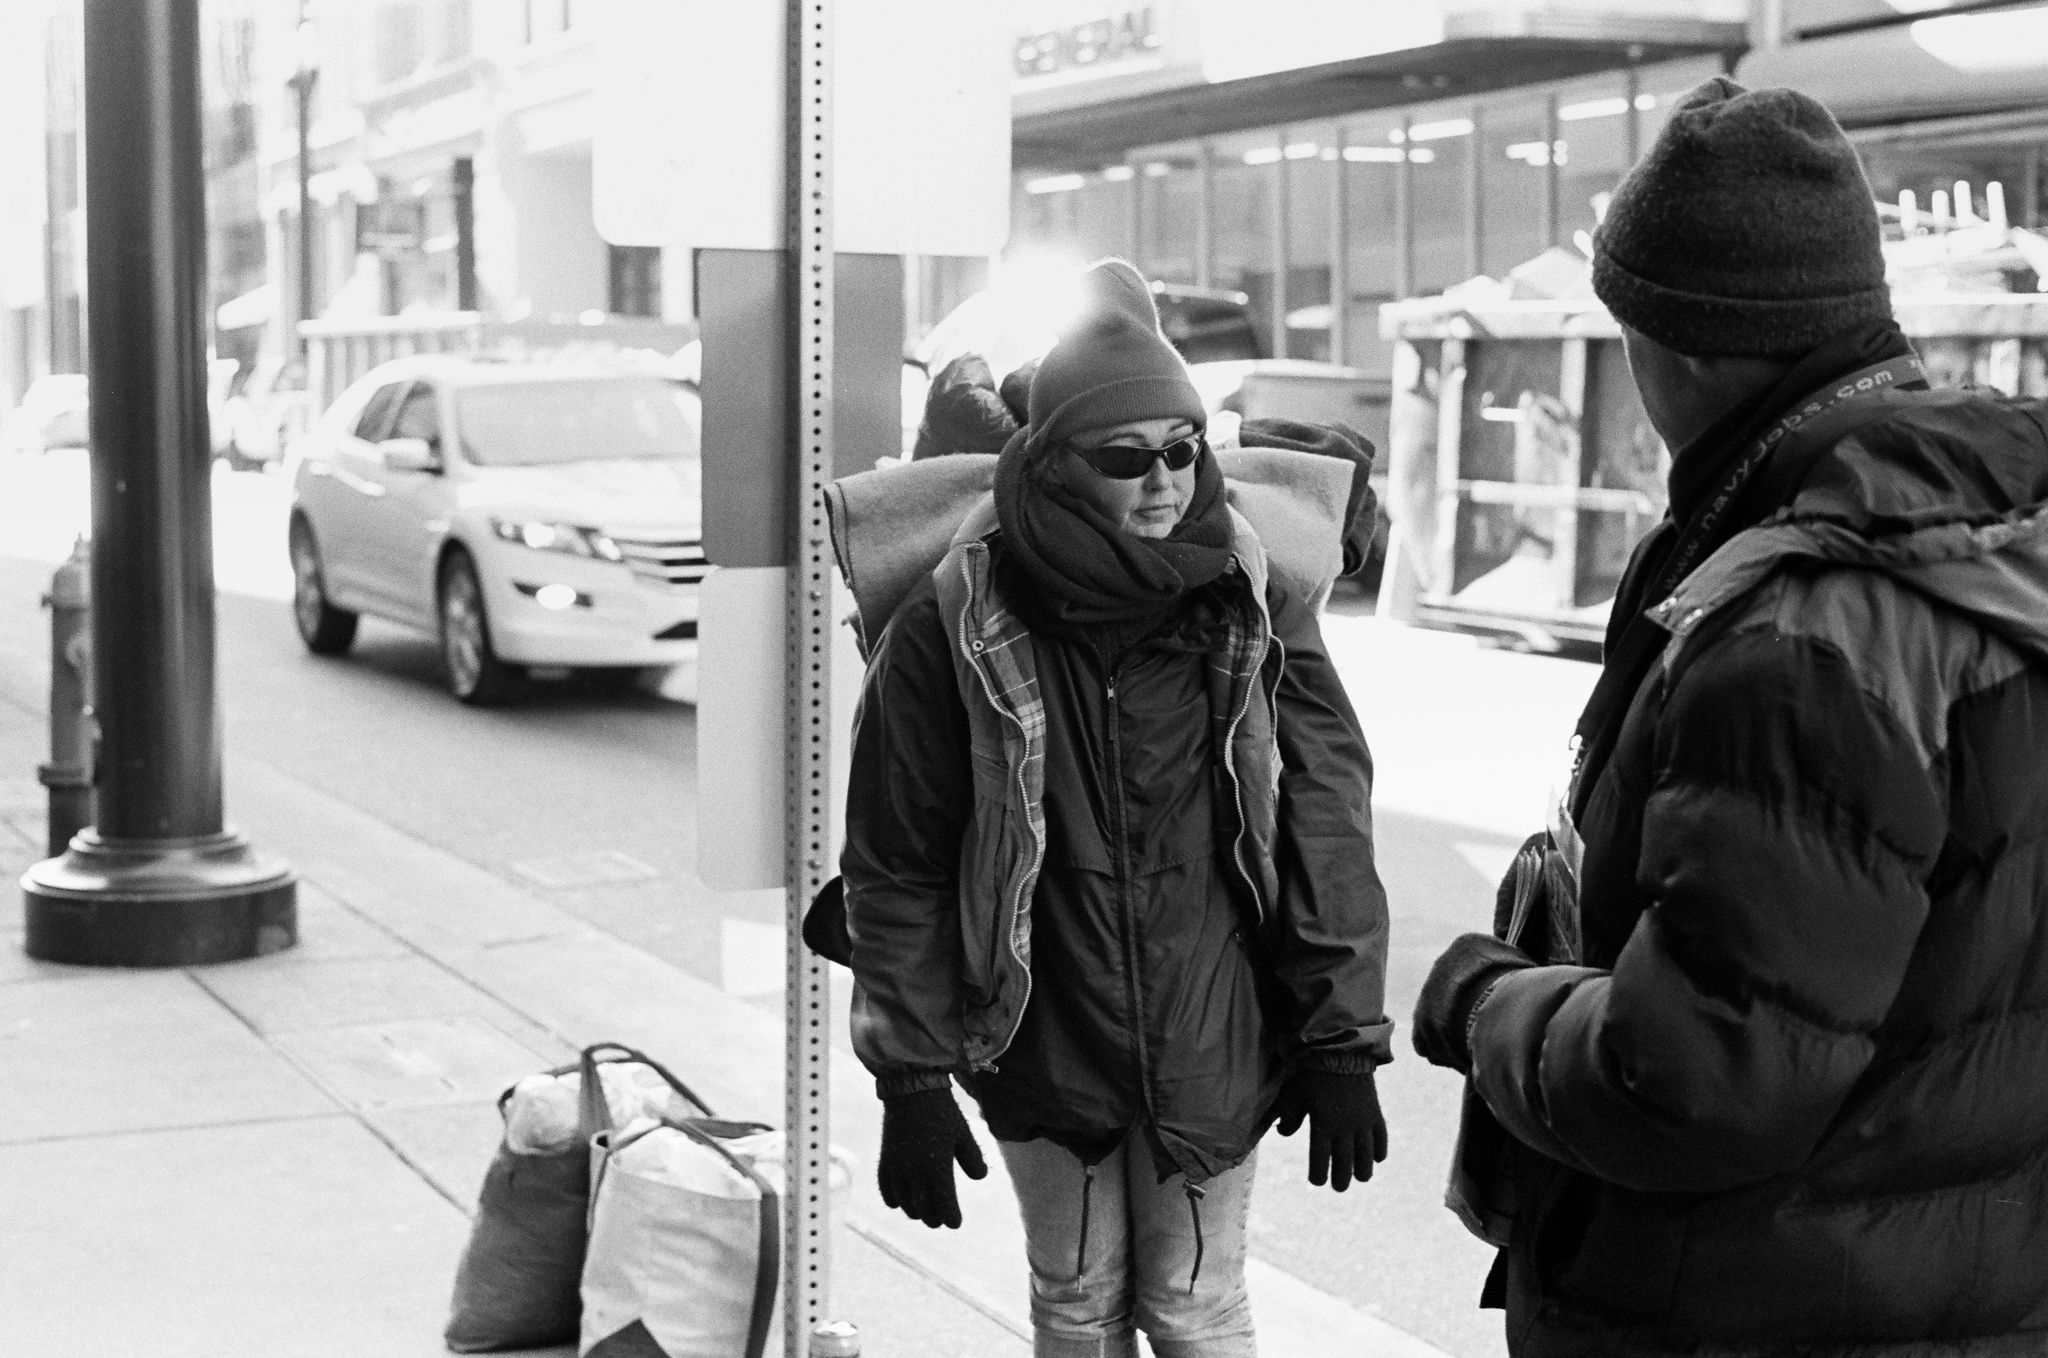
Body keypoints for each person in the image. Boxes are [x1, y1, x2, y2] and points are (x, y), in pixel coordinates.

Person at [1413, 78, 2048, 1355]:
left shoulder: (1800, 643)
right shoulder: (1991, 544)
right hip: (1962, 1288)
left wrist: (1487, 1004)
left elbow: (1692, 1079)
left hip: (1749, 1304)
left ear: (1685, 347)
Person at [843, 259, 1393, 1358]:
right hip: (1039, 1029)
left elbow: (1327, 811)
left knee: (1195, 1307)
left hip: (1215, 1029)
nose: (1160, 482)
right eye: (1123, 457)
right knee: (1077, 1303)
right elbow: (895, 856)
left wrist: (1340, 1033)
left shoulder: (1251, 597)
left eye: (1182, 451)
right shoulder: (956, 617)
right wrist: (906, 1068)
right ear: (1049, 463)